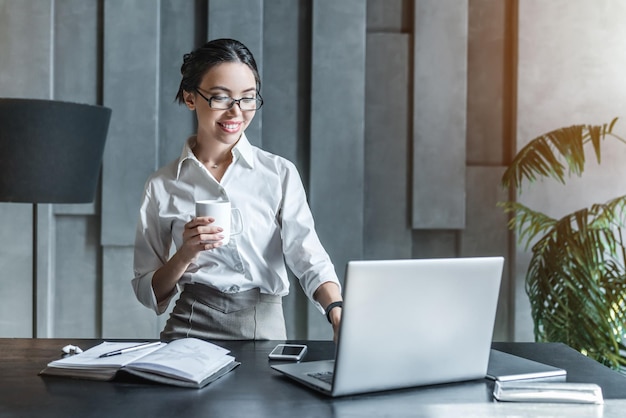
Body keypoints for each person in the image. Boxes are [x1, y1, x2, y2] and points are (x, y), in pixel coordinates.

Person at [132, 38, 343, 342]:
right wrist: (185, 254)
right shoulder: (162, 184)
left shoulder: (278, 173)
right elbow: (147, 292)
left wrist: (335, 308)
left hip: (262, 326)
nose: (236, 112)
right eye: (220, 98)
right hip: (188, 327)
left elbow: (306, 254)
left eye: (247, 98)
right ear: (191, 98)